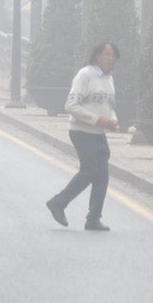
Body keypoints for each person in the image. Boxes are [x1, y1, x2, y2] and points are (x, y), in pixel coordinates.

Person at [45, 41, 121, 232]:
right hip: (81, 131)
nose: (111, 59)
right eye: (107, 54)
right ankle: (58, 203)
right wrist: (97, 120)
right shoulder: (85, 75)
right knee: (89, 170)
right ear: (97, 56)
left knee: (102, 175)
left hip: (99, 133)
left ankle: (93, 218)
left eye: (113, 56)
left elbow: (110, 106)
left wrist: (112, 120)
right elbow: (70, 106)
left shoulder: (109, 79)